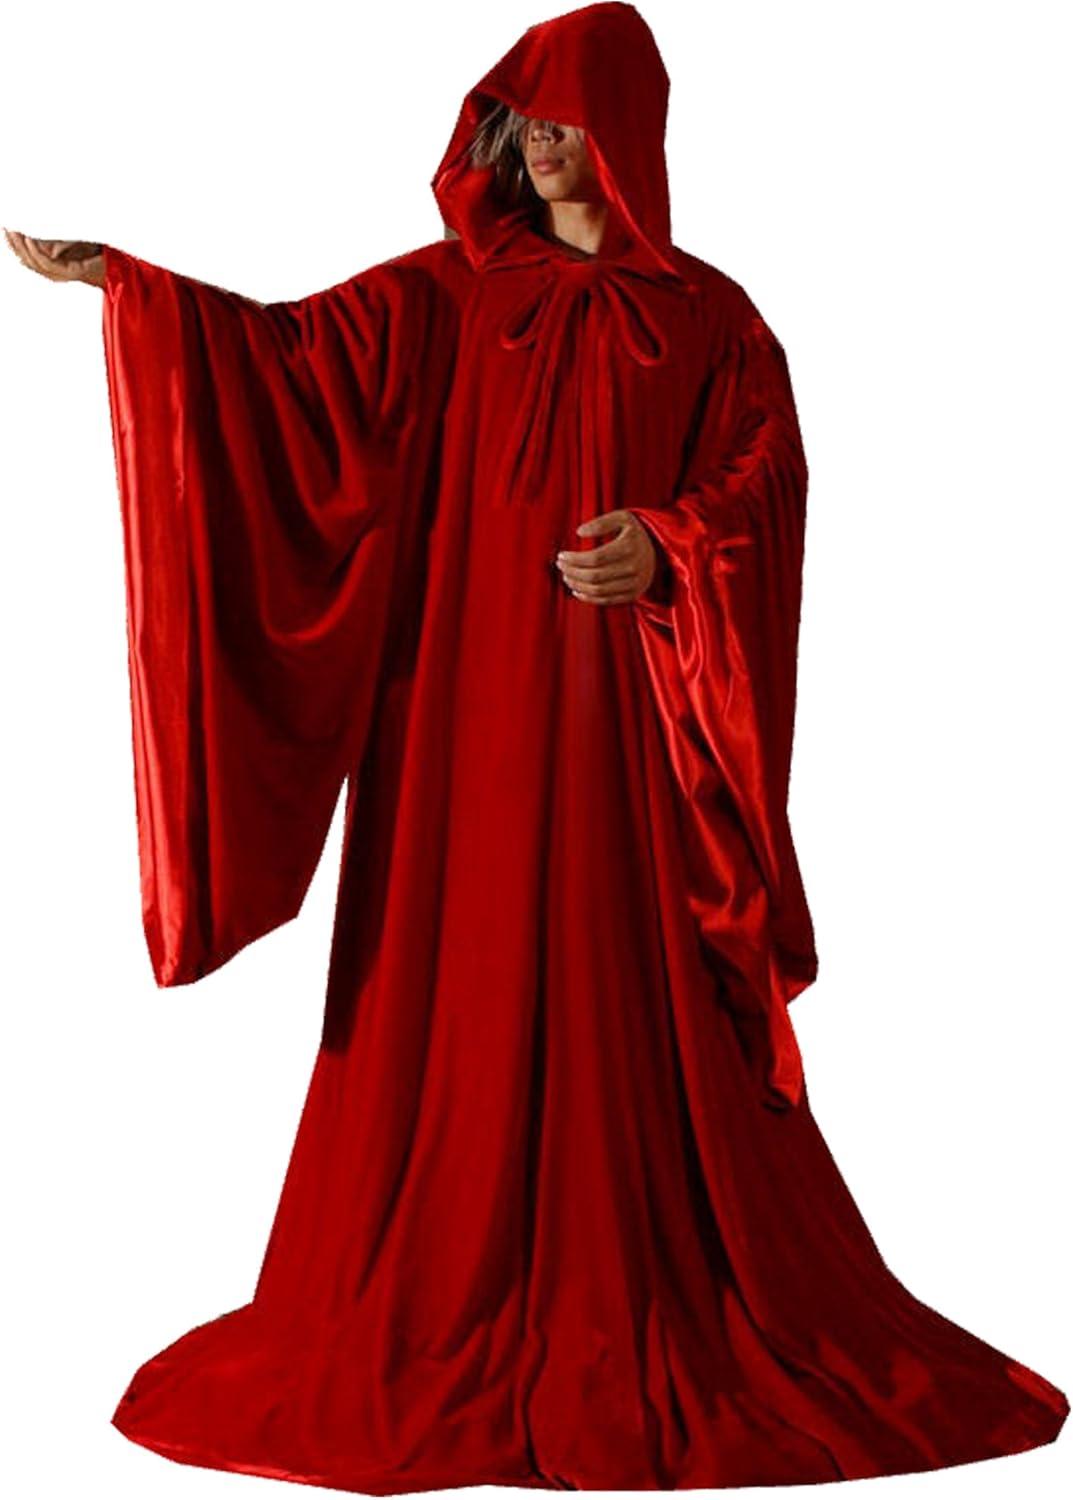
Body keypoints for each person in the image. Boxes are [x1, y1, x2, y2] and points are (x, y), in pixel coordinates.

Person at [4, 2, 1068, 1491]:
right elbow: (285, 366)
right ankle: (439, 1282)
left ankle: (657, 1273)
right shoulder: (440, 296)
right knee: (465, 943)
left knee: (632, 954)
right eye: (526, 117)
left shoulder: (710, 318)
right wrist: (140, 292)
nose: (547, 143)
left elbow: (766, 483)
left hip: (631, 722)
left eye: (571, 117)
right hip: (457, 712)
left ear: (627, 131)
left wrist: (672, 543)